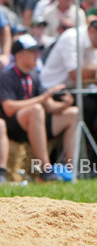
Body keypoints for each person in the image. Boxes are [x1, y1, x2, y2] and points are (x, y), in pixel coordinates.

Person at [0, 36, 78, 180]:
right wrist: (41, 99)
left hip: (35, 121)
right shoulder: (7, 76)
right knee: (36, 110)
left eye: (37, 51)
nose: (37, 55)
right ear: (19, 55)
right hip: (15, 125)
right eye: (32, 51)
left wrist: (63, 105)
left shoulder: (34, 76)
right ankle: (45, 169)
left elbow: (49, 106)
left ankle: (71, 170)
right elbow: (8, 108)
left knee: (73, 113)